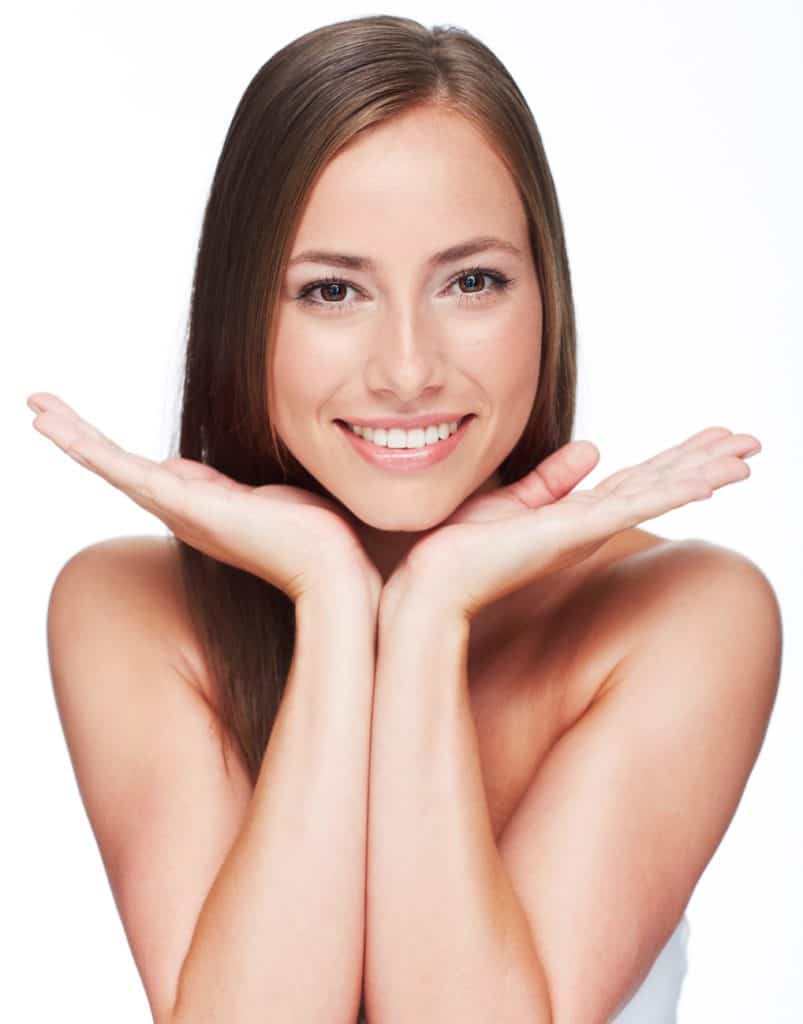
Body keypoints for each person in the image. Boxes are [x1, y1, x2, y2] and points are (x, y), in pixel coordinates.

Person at [29, 14, 782, 1024]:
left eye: (470, 281)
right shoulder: (127, 608)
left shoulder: (686, 613)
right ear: (242, 308)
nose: (407, 369)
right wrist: (336, 598)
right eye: (331, 290)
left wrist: (426, 613)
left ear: (544, 294)